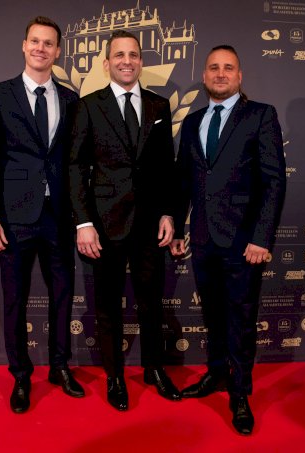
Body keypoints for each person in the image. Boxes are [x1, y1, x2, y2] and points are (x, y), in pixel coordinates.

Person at [170, 45, 286, 435]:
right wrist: (178, 228)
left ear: (239, 76)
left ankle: (240, 394)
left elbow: (273, 182)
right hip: (203, 239)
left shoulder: (261, 115)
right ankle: (216, 373)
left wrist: (261, 238)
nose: (221, 73)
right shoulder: (193, 121)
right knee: (214, 315)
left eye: (228, 68)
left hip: (243, 242)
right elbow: (185, 181)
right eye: (214, 68)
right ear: (204, 76)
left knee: (241, 319)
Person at [0, 16, 83, 414]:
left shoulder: (71, 99)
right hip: (14, 217)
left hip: (59, 215)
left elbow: (75, 162)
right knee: (15, 299)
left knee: (63, 295)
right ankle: (21, 375)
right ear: (24, 46)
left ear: (58, 51)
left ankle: (59, 366)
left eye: (48, 43)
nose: (41, 48)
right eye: (35, 41)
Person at [69, 30, 180, 411]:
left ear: (141, 62)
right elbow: (74, 167)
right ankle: (115, 376)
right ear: (107, 63)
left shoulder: (159, 105)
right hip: (105, 224)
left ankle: (154, 369)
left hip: (150, 224)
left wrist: (168, 213)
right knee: (107, 306)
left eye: (133, 54)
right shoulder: (88, 106)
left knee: (152, 302)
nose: (127, 61)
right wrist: (83, 222)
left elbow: (166, 167)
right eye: (119, 55)